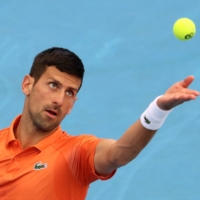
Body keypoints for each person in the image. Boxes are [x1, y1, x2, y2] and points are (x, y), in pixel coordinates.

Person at [0, 47, 199, 200]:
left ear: (72, 105)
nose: (59, 100)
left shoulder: (75, 153)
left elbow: (118, 153)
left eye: (70, 92)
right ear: (28, 85)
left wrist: (158, 109)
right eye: (54, 85)